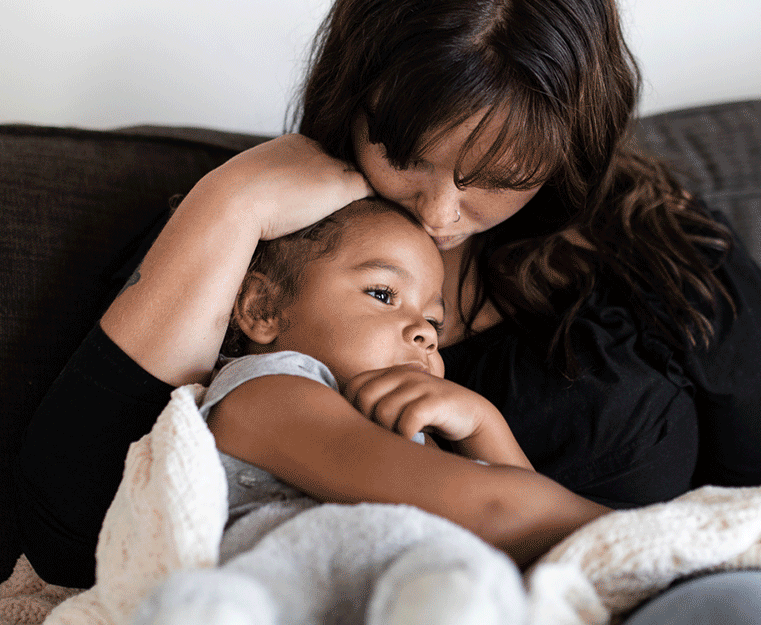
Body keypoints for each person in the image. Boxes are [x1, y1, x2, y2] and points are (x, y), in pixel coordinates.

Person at [19, 0, 761, 623]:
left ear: (564, 156)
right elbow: (83, 531)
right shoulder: (271, 251)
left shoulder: (668, 252)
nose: (437, 213)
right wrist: (229, 203)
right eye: (406, 155)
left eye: (496, 180)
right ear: (356, 102)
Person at [133, 196, 579, 624]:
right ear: (263, 308)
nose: (424, 332)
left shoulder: (409, 422)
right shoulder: (267, 392)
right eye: (384, 294)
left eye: (435, 323)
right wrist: (627, 529)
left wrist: (484, 424)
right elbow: (493, 508)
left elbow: (540, 546)